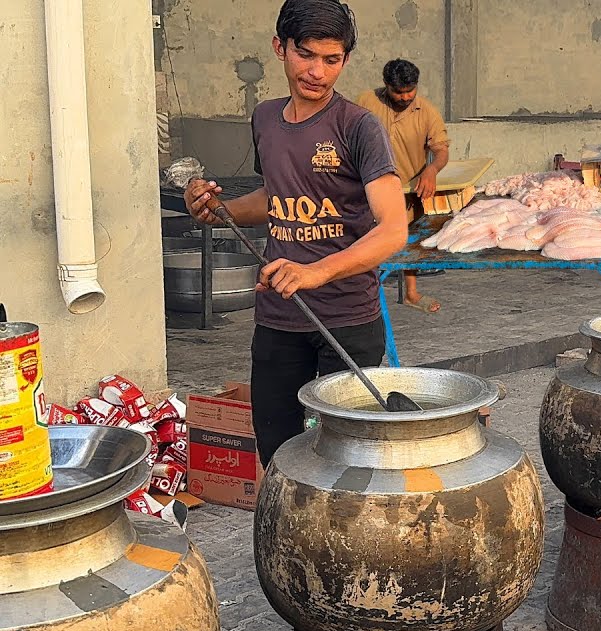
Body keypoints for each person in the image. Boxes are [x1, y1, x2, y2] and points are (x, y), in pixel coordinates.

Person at [183, 0, 407, 465]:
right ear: (279, 48)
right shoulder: (265, 118)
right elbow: (276, 196)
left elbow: (392, 230)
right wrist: (217, 210)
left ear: (345, 59)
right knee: (279, 455)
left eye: (332, 60)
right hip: (278, 318)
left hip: (346, 319)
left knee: (349, 460)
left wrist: (315, 273)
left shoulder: (359, 127)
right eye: (306, 55)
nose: (318, 73)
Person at [356, 58, 450, 314]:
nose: (406, 96)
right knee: (365, 242)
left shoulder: (426, 111)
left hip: (407, 190)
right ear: (386, 86)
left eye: (411, 90)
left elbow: (441, 150)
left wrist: (431, 170)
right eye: (399, 92)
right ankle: (363, 295)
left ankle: (410, 293)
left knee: (406, 240)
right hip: (366, 187)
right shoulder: (365, 102)